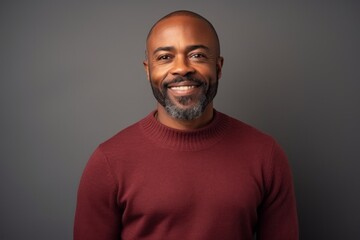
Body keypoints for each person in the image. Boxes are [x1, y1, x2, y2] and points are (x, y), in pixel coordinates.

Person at [74, 10, 299, 240]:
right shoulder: (108, 161)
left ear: (218, 67)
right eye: (164, 57)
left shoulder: (266, 155)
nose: (182, 68)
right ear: (148, 70)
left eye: (198, 55)